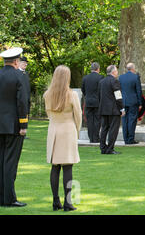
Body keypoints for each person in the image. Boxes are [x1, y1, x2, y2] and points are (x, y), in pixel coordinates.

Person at [44, 65, 82, 211]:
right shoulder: (71, 95)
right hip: (67, 130)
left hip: (53, 130)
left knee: (55, 166)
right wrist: (76, 131)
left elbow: (49, 114)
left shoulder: (47, 94)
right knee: (67, 166)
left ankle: (55, 201)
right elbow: (78, 116)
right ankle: (68, 202)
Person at [0, 47, 28, 208]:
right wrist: (23, 124)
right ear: (16, 61)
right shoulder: (19, 76)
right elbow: (22, 102)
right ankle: (9, 198)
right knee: (10, 162)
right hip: (13, 126)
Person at [98, 65, 125, 154]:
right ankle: (110, 148)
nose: (117, 72)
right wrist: (122, 108)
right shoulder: (115, 81)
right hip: (113, 110)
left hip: (103, 108)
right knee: (113, 129)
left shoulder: (101, 82)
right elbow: (118, 96)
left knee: (104, 129)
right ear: (113, 72)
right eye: (116, 71)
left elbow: (99, 95)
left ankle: (102, 148)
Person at [119, 63, 142, 145]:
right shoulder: (136, 77)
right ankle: (131, 139)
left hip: (124, 101)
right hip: (133, 101)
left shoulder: (121, 77)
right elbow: (138, 91)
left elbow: (119, 90)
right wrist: (140, 103)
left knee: (124, 120)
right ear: (133, 68)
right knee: (132, 120)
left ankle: (126, 138)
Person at [81, 62, 104, 143]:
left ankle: (91, 138)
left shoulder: (85, 78)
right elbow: (102, 90)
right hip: (97, 102)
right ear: (98, 69)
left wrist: (87, 96)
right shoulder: (101, 77)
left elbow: (83, 89)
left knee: (90, 120)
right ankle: (96, 138)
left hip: (88, 102)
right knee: (97, 120)